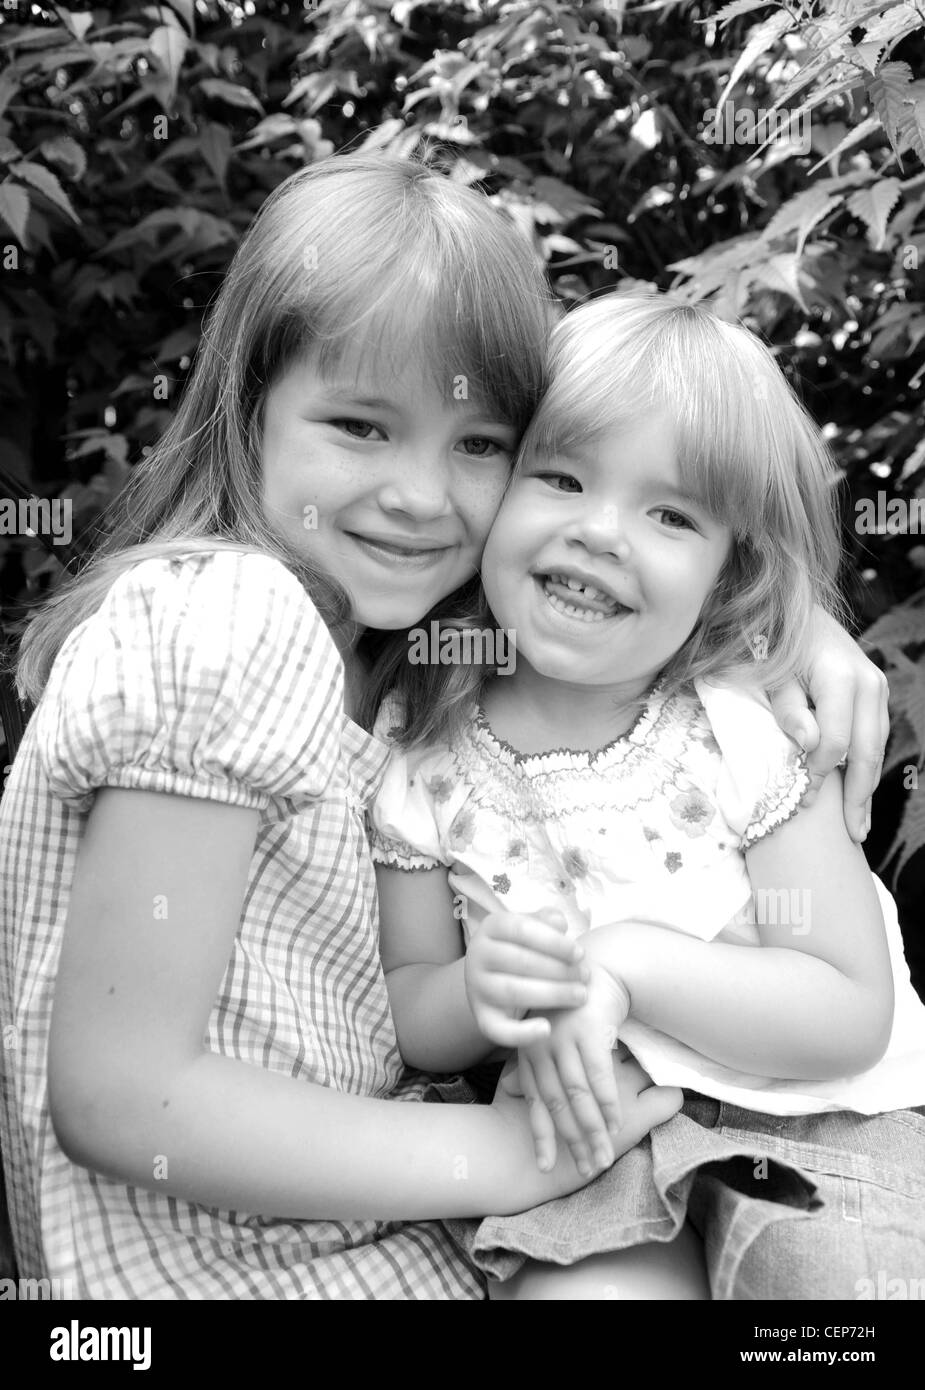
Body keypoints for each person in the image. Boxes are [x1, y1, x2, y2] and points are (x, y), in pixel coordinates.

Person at [0, 154, 892, 1300]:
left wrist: (792, 625)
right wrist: (511, 1158)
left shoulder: (401, 663)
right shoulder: (232, 614)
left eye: (478, 446)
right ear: (246, 409)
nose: (422, 495)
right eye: (360, 425)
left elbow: (631, 486)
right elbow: (122, 1099)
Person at [369, 292, 925, 1300]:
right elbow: (414, 1003)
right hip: (588, 1133)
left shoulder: (742, 727)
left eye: (670, 513)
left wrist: (621, 963)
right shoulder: (425, 758)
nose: (601, 532)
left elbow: (849, 1011)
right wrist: (473, 995)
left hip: (820, 1127)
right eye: (561, 476)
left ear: (729, 572)